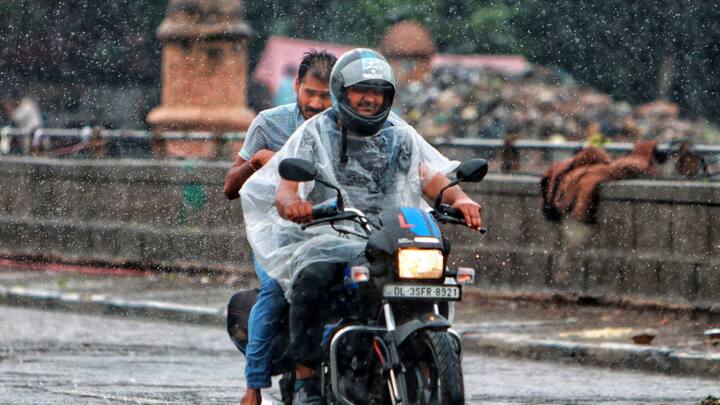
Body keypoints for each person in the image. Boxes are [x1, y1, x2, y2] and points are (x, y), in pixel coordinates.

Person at [240, 48, 483, 404]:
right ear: (343, 91)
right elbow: (287, 187)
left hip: (389, 234)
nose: (370, 98)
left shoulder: (399, 134)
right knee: (311, 279)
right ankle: (306, 378)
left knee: (435, 270)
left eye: (379, 91)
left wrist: (458, 199)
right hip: (329, 232)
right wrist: (294, 205)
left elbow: (427, 174)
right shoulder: (315, 132)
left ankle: (429, 360)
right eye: (361, 90)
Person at [224, 49, 337, 405]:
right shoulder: (269, 124)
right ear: (297, 86)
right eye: (310, 93)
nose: (317, 103)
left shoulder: (345, 128)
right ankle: (254, 385)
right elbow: (230, 187)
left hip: (333, 230)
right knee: (274, 289)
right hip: (277, 237)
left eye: (326, 96)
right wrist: (257, 162)